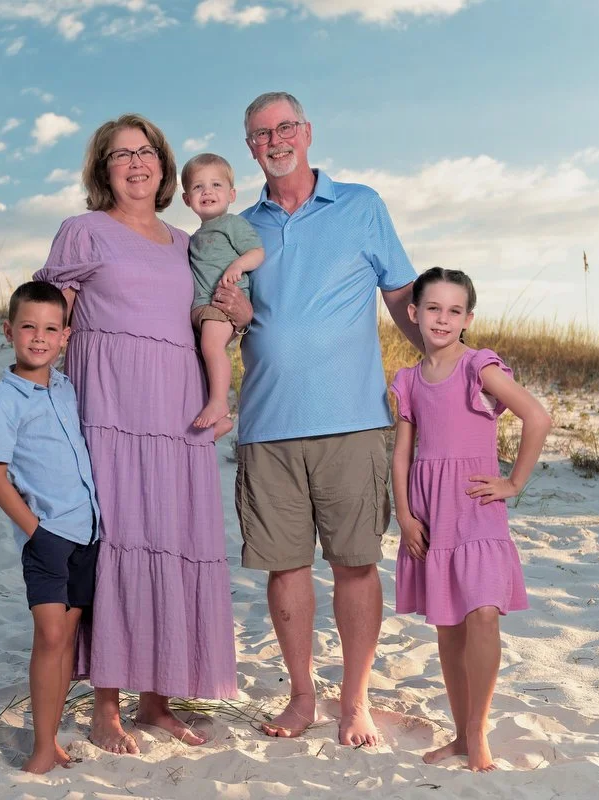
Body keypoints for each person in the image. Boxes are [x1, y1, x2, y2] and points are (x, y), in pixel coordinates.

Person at [211, 91, 422, 746]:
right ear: (248, 147)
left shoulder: (361, 206)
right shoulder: (236, 231)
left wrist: (451, 367)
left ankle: (354, 700)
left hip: (354, 423)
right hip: (267, 427)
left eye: (283, 128)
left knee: (356, 563)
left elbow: (403, 297)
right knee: (285, 568)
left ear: (306, 131)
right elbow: (218, 321)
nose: (273, 141)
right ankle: (303, 696)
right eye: (259, 134)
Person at [33, 114, 237, 755]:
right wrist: (32, 386)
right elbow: (48, 309)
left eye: (146, 151)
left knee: (172, 540)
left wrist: (232, 325)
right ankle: (107, 707)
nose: (136, 162)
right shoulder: (83, 231)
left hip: (177, 410)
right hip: (111, 408)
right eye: (121, 154)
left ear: (164, 164)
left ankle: (159, 701)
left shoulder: (189, 242)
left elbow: (216, 316)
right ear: (103, 169)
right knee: (118, 542)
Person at [389, 267, 551, 772]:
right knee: (449, 625)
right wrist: (405, 515)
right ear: (414, 314)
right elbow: (401, 454)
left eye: (454, 310)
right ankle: (460, 735)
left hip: (477, 508)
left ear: (468, 318)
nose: (442, 318)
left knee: (482, 613)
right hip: (430, 511)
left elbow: (538, 417)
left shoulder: (477, 367)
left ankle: (477, 732)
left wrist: (513, 483)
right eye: (433, 308)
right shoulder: (410, 380)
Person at [0, 280, 101, 774]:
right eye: (28, 327)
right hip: (47, 538)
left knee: (66, 640)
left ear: (65, 337)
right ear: (9, 330)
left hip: (86, 534)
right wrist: (37, 531)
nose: (38, 337)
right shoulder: (4, 402)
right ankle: (39, 748)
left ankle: (50, 739)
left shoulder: (68, 387)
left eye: (50, 329)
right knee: (49, 638)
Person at [181, 153, 264, 437]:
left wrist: (238, 266)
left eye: (216, 185)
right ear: (186, 199)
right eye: (198, 187)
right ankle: (219, 421)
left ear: (231, 193)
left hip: (222, 302)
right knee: (199, 358)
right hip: (202, 309)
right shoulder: (193, 238)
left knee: (212, 349)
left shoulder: (232, 224)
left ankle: (219, 404)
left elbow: (257, 253)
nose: (207, 192)